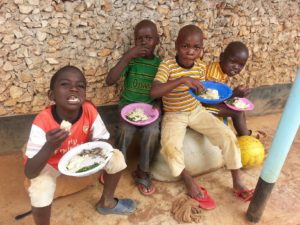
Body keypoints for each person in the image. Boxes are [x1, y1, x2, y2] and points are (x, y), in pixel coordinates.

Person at [150, 25, 253, 210]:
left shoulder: (201, 67)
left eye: (196, 47)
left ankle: (237, 180)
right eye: (185, 46)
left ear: (201, 49)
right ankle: (187, 179)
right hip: (174, 114)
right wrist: (181, 80)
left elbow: (207, 93)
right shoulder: (167, 65)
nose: (190, 52)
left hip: (196, 111)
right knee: (170, 146)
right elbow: (154, 91)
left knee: (227, 135)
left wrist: (231, 96)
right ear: (176, 45)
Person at [24, 66, 136, 225]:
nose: (74, 88)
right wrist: (49, 146)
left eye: (80, 86)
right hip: (51, 164)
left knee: (116, 157)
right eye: (65, 84)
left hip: (81, 159)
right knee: (40, 188)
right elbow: (30, 172)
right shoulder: (42, 121)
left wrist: (96, 146)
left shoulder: (89, 111)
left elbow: (105, 142)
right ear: (52, 95)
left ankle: (107, 202)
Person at [105, 20, 161, 196]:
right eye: (139, 39)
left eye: (148, 38)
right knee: (124, 130)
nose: (144, 42)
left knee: (152, 132)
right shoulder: (131, 61)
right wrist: (127, 56)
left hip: (149, 112)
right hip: (127, 109)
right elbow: (110, 80)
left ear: (157, 41)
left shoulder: (160, 65)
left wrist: (157, 108)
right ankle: (115, 167)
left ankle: (143, 171)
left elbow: (162, 92)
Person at [204, 41, 251, 136]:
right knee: (237, 112)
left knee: (239, 106)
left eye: (241, 65)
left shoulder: (221, 70)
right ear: (222, 57)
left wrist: (236, 97)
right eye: (233, 61)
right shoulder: (214, 75)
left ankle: (245, 133)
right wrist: (234, 95)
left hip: (212, 104)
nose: (236, 67)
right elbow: (210, 102)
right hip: (204, 108)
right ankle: (246, 137)